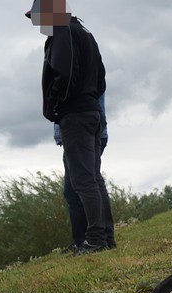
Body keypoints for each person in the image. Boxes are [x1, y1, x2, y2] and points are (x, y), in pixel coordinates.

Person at [27, 0, 114, 254]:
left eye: (38, 15)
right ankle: (105, 239)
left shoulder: (62, 29)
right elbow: (101, 78)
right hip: (90, 112)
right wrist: (89, 101)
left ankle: (95, 240)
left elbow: (63, 73)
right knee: (92, 178)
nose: (37, 22)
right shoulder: (84, 31)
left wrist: (56, 105)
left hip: (75, 114)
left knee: (84, 181)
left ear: (51, 11)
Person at [55, 94, 115, 253]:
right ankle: (93, 239)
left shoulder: (80, 70)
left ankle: (95, 239)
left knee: (86, 184)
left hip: (82, 127)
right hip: (90, 127)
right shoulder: (91, 70)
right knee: (78, 187)